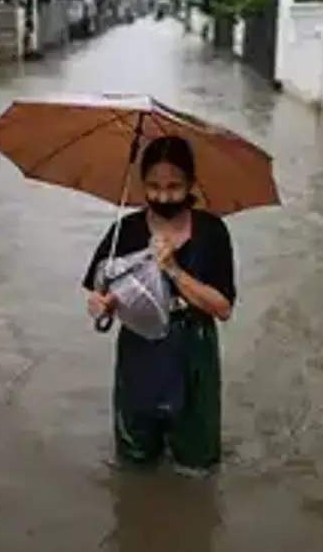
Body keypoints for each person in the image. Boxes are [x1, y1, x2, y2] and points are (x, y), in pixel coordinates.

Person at [81, 135, 236, 476]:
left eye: (174, 186)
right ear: (142, 185)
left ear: (191, 184)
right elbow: (99, 296)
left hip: (193, 347)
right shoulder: (126, 231)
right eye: (153, 186)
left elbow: (223, 308)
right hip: (139, 344)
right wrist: (100, 307)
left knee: (197, 459)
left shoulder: (211, 232)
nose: (163, 196)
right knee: (134, 455)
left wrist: (174, 271)